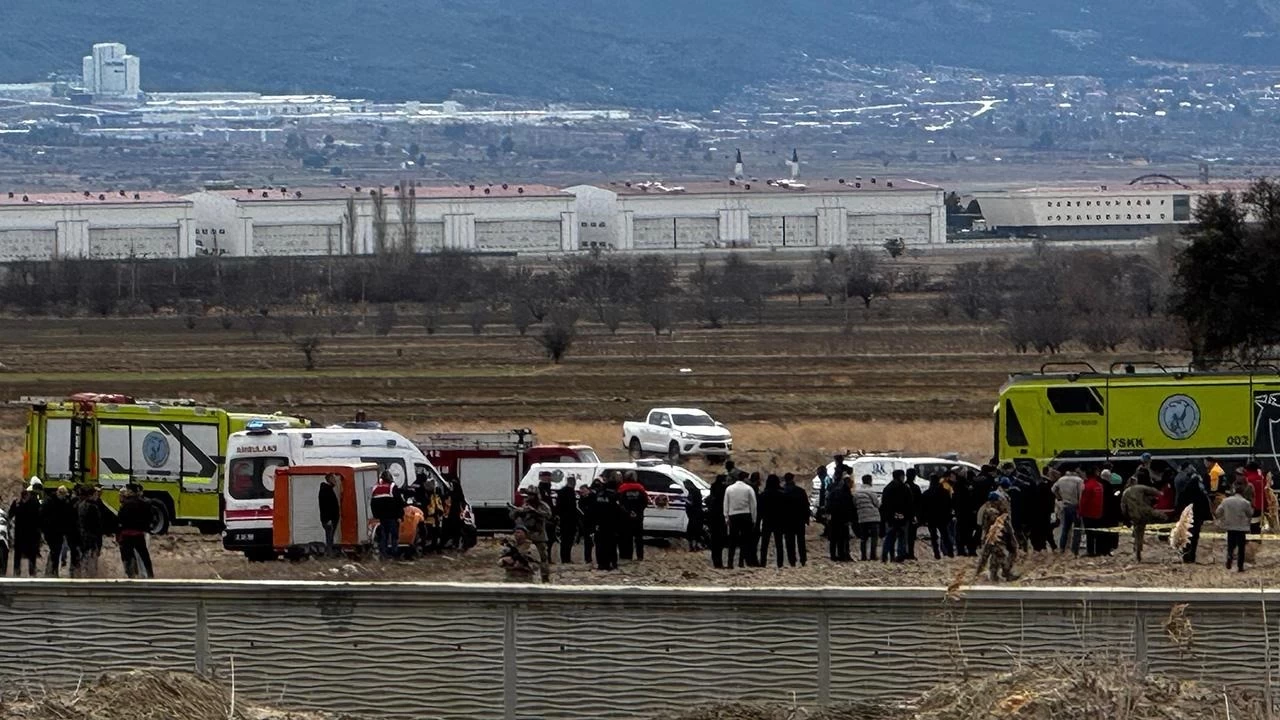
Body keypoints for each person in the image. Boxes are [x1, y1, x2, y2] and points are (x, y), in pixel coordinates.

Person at [510, 489, 552, 582]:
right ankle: (526, 575)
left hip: (539, 535)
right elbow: (512, 516)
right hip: (527, 535)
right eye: (529, 495)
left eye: (532, 495)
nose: (530, 497)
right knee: (525, 556)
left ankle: (545, 578)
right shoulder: (525, 505)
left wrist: (535, 511)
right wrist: (518, 511)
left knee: (543, 558)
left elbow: (548, 515)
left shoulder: (542, 505)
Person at [975, 492, 1018, 582]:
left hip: (990, 537)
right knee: (999, 555)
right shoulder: (992, 511)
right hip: (994, 537)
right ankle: (1002, 575)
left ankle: (980, 575)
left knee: (987, 557)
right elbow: (998, 524)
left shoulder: (986, 508)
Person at [1175, 460, 1212, 563]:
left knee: (1187, 534)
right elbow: (1205, 499)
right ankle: (1191, 556)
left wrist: (1177, 510)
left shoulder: (1187, 487)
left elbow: (1181, 498)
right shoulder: (1200, 490)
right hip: (1197, 514)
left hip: (1188, 513)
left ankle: (1186, 556)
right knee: (1194, 536)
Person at [1121, 477, 1165, 562]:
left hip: (1133, 515)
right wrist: (1161, 494)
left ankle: (1136, 547)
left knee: (1138, 531)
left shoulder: (1125, 493)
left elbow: (1123, 507)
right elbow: (1153, 491)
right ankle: (1138, 549)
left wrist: (1126, 517)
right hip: (1144, 512)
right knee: (1141, 531)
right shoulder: (1140, 488)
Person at [117, 485, 154, 578]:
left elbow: (120, 519)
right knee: (144, 556)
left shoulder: (125, 504)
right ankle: (150, 574)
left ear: (130, 492)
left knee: (128, 556)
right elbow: (150, 518)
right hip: (139, 534)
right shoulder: (145, 503)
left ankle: (131, 575)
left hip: (127, 535)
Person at [41, 485, 77, 577]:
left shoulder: (64, 503)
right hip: (51, 532)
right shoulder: (49, 502)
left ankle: (52, 571)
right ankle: (52, 571)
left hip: (59, 532)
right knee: (54, 551)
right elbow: (42, 516)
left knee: (56, 551)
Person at [724, 472, 757, 569]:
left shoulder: (729, 489)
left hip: (733, 515)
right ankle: (741, 562)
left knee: (732, 540)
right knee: (744, 540)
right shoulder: (748, 489)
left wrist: (726, 516)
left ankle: (730, 562)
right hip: (746, 515)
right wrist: (754, 518)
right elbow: (753, 505)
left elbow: (726, 503)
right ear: (745, 478)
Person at [1217, 488, 1253, 572]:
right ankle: (1240, 566)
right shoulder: (1245, 502)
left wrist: (1222, 518)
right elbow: (1250, 514)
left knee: (1230, 545)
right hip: (1241, 528)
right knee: (1241, 548)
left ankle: (1229, 557)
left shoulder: (1226, 501)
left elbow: (1218, 511)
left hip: (1230, 526)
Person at [880, 470, 912, 563]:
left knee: (890, 536)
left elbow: (884, 504)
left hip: (890, 516)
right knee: (901, 536)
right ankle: (900, 555)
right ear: (901, 476)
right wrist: (908, 515)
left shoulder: (887, 488)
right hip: (902, 515)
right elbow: (909, 502)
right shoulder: (904, 488)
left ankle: (885, 555)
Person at [617, 471, 649, 562]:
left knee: (627, 537)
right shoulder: (640, 488)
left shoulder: (622, 488)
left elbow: (619, 503)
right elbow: (645, 502)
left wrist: (628, 512)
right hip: (638, 516)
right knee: (639, 537)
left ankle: (627, 555)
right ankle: (640, 556)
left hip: (625, 517)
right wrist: (638, 511)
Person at [1052, 465, 1084, 555]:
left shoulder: (1061, 479)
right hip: (1075, 506)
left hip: (1065, 506)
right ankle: (1075, 550)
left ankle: (1062, 548)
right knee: (1077, 529)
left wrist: (1059, 498)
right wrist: (1080, 507)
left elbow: (1053, 489)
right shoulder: (1079, 480)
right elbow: (1081, 495)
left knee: (1065, 528)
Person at [370, 472, 403, 560]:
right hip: (392, 517)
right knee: (394, 536)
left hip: (380, 518)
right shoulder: (392, 487)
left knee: (383, 537)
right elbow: (399, 502)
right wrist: (400, 516)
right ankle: (394, 554)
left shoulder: (375, 488)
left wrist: (375, 515)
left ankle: (383, 555)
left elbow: (372, 503)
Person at [9, 486, 41, 577]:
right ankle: (17, 570)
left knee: (31, 552)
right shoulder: (18, 503)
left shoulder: (33, 503)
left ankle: (31, 570)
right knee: (19, 552)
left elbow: (39, 517)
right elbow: (10, 515)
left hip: (31, 532)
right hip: (21, 532)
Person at [921, 474, 954, 559]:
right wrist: (949, 515)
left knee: (933, 537)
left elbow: (923, 507)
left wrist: (923, 518)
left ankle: (936, 554)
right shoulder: (944, 492)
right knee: (945, 535)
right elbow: (949, 505)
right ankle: (950, 552)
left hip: (931, 518)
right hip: (942, 517)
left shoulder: (926, 493)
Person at [589, 477, 619, 571]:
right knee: (610, 544)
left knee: (600, 544)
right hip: (610, 523)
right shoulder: (614, 496)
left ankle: (601, 563)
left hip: (599, 523)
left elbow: (593, 509)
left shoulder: (599, 495)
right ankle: (611, 563)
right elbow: (617, 510)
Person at [74, 486, 104, 578]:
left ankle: (81, 574)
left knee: (83, 557)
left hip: (82, 534)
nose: (97, 496)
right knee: (91, 558)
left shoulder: (80, 505)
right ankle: (90, 576)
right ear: (91, 495)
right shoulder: (93, 507)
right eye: (95, 494)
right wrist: (99, 543)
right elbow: (97, 525)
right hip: (92, 536)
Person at [758, 474, 786, 568]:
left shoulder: (763, 494)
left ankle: (763, 562)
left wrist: (759, 521)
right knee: (779, 543)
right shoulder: (782, 494)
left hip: (767, 520)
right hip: (779, 520)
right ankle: (780, 563)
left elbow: (760, 509)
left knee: (764, 544)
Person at [780, 473, 809, 567]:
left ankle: (792, 560)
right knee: (801, 540)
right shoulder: (800, 491)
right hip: (799, 519)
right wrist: (806, 519)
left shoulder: (782, 492)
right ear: (793, 479)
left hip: (787, 520)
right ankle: (803, 559)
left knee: (789, 542)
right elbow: (806, 506)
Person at [851, 474, 881, 560]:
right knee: (874, 538)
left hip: (862, 518)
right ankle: (872, 555)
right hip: (873, 517)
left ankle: (863, 556)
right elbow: (877, 504)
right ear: (870, 481)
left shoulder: (857, 493)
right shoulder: (871, 491)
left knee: (863, 538)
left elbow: (855, 504)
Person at [826, 473, 854, 562]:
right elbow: (849, 507)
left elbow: (828, 504)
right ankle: (843, 555)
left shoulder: (834, 491)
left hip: (834, 517)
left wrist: (829, 514)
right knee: (843, 538)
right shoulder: (847, 493)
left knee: (834, 538)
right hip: (843, 518)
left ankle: (833, 556)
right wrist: (850, 518)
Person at [1079, 469, 1105, 557]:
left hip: (1088, 513)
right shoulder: (1099, 485)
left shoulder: (1087, 486)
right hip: (1098, 512)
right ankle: (1098, 550)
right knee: (1097, 532)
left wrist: (1080, 512)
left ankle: (1090, 551)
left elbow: (1084, 501)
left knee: (1089, 533)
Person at [556, 476, 580, 564]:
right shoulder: (568, 492)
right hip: (568, 519)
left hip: (565, 519)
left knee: (566, 540)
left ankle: (566, 558)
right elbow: (571, 507)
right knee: (567, 540)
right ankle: (566, 558)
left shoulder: (563, 492)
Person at [706, 474, 728, 568]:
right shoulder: (723, 492)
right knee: (720, 542)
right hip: (720, 519)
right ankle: (719, 563)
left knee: (714, 542)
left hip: (712, 519)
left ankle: (716, 562)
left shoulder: (712, 497)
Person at [319, 472, 340, 557]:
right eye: (334, 479)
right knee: (329, 537)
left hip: (332, 518)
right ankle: (329, 553)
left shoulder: (329, 489)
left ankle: (329, 552)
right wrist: (327, 519)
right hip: (328, 519)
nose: (335, 480)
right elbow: (325, 506)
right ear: (330, 479)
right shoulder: (325, 490)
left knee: (330, 537)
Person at [904, 468, 923, 560]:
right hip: (913, 514)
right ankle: (910, 553)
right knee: (911, 536)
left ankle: (903, 552)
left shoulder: (902, 486)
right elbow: (920, 503)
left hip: (903, 514)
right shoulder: (916, 487)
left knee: (903, 535)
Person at [683, 479, 704, 552]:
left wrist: (686, 501)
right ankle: (694, 545)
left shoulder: (694, 492)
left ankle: (694, 545)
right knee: (694, 530)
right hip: (694, 514)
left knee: (693, 530)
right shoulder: (694, 491)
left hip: (695, 514)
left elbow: (693, 503)